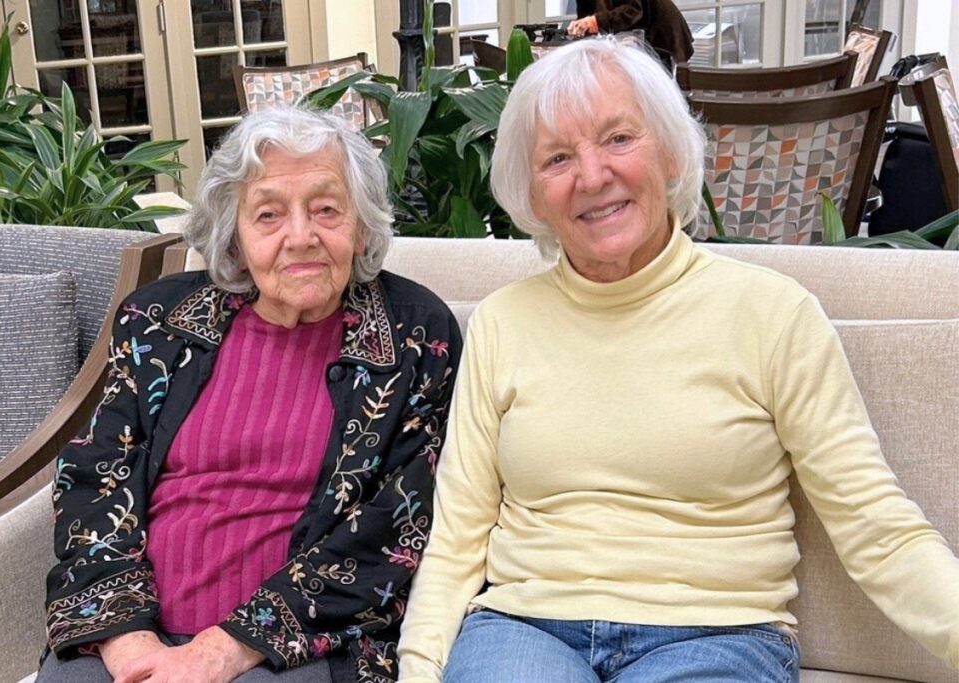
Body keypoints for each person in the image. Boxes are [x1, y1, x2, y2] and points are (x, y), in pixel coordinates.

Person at [397, 36, 959, 682]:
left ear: (668, 151)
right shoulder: (503, 322)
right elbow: (458, 536)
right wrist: (419, 668)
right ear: (532, 192)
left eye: (617, 139)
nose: (592, 175)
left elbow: (876, 525)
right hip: (526, 627)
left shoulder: (773, 314)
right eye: (557, 156)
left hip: (717, 633)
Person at [38, 104, 461, 683]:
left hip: (305, 647)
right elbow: (93, 475)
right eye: (268, 214)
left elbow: (400, 524)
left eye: (326, 209)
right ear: (233, 237)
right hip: (134, 630)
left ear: (361, 226)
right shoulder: (160, 321)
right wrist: (128, 642)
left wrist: (227, 648)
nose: (301, 236)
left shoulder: (415, 335)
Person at [567, 0, 694, 69]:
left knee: (661, 91)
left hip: (661, 31)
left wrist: (595, 22)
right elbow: (587, 14)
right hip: (644, 33)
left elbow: (633, 10)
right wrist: (581, 27)